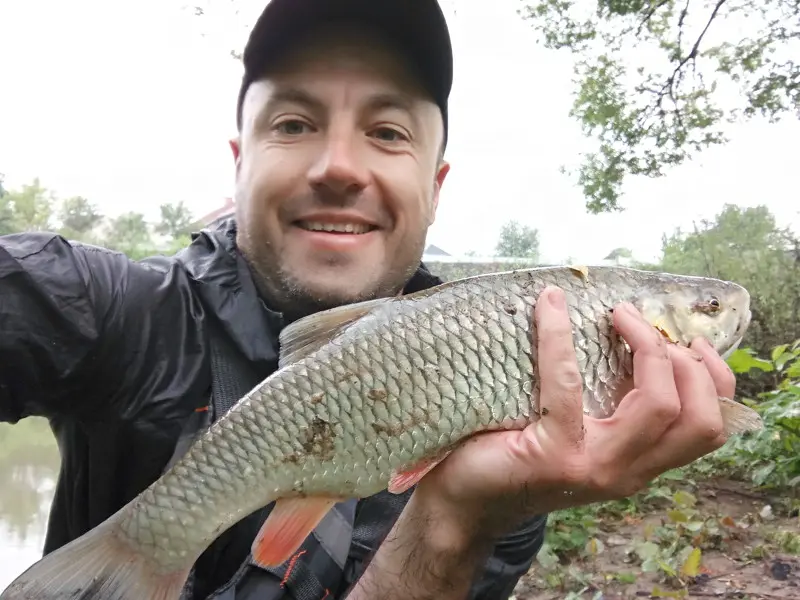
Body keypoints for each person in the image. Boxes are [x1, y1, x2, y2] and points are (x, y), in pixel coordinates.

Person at [0, 0, 737, 598]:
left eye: (386, 132)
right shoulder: (105, 309)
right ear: (239, 167)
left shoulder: (531, 458)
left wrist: (453, 520)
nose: (338, 167)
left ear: (437, 187)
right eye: (293, 124)